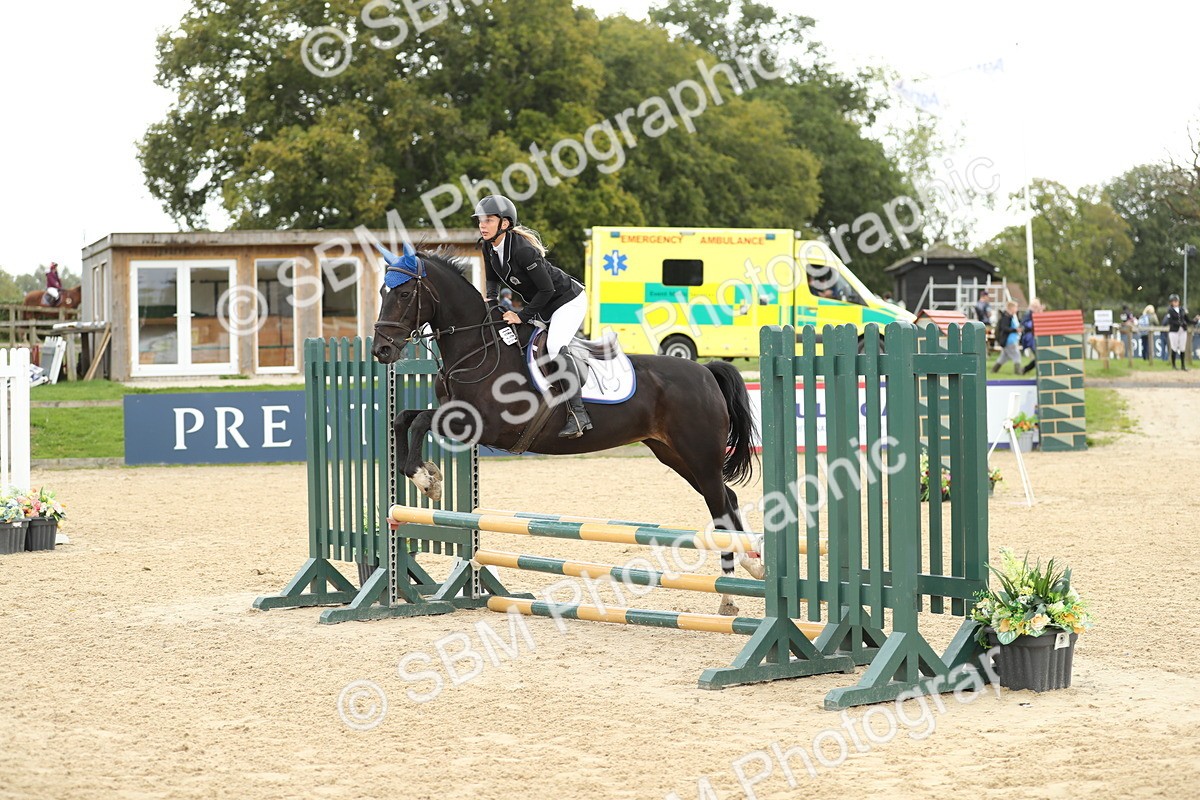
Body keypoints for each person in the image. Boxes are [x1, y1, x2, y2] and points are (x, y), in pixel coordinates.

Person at [473, 195, 592, 438]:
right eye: (480, 221)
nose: (482, 226)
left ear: (504, 223)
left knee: (555, 347)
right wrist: (491, 303)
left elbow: (547, 289)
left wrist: (522, 316)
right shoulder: (488, 246)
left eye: (488, 220)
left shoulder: (523, 251)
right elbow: (492, 278)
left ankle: (578, 415)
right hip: (543, 305)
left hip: (567, 301)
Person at [991, 300, 1023, 374]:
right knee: (1016, 355)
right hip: (1009, 340)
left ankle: (994, 370)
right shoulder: (1006, 317)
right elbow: (1004, 328)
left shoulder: (1011, 317)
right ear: (1011, 308)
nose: (1017, 309)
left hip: (1011, 340)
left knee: (1003, 357)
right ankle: (1018, 371)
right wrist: (1015, 330)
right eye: (1016, 307)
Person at [1163, 293, 1189, 371]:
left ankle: (1183, 365)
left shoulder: (1182, 309)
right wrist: (1179, 323)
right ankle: (1174, 365)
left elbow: (1187, 319)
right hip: (1174, 330)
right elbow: (1170, 321)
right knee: (1174, 347)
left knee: (1182, 347)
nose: (1175, 302)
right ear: (1171, 302)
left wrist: (1194, 321)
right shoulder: (1170, 310)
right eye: (1174, 301)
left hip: (1182, 330)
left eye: (1176, 301)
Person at [1020, 299, 1043, 375]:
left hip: (1034, 337)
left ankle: (1025, 369)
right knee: (1039, 356)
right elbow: (1026, 325)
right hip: (1030, 338)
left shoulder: (1036, 314)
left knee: (1039, 356)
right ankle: (1026, 369)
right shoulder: (1028, 314)